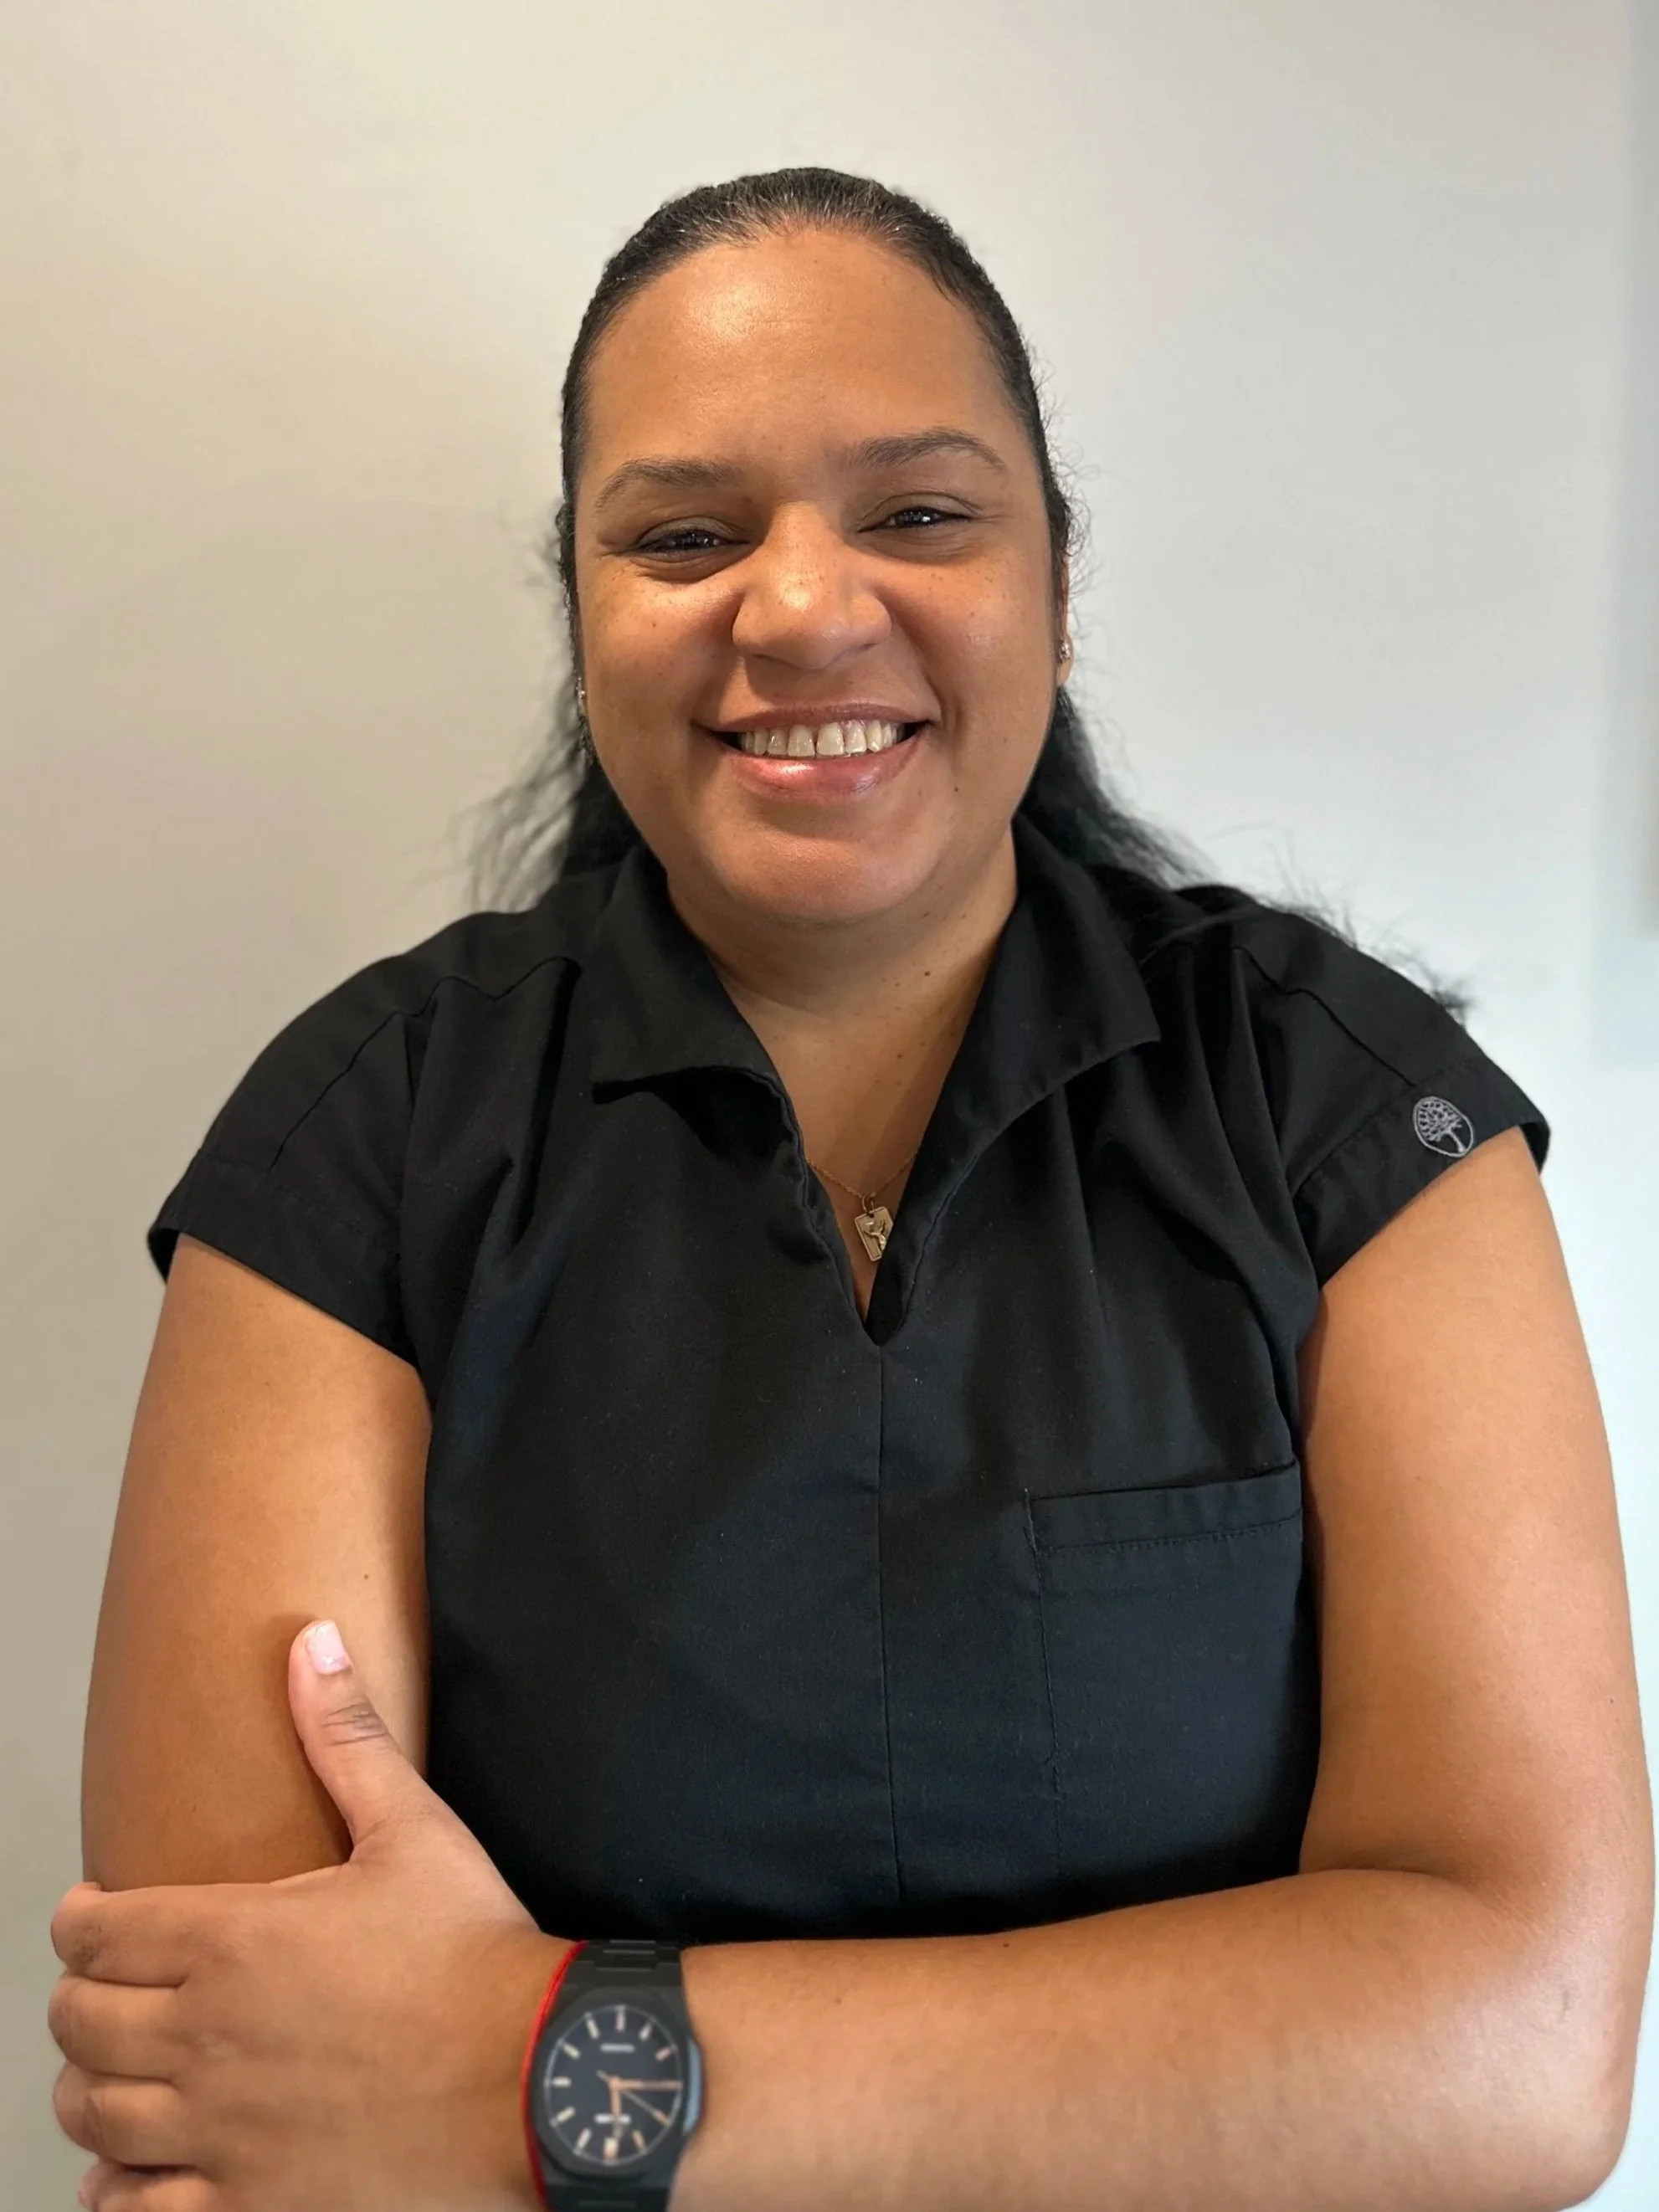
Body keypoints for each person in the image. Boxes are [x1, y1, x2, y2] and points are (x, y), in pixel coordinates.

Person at [49, 167, 1650, 2212]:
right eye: (687, 534)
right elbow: (242, 2103)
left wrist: (545, 2063)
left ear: (1057, 586)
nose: (802, 607)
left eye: (916, 513)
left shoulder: (1342, 1116)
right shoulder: (362, 1142)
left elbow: (1517, 2052)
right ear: (582, 608)